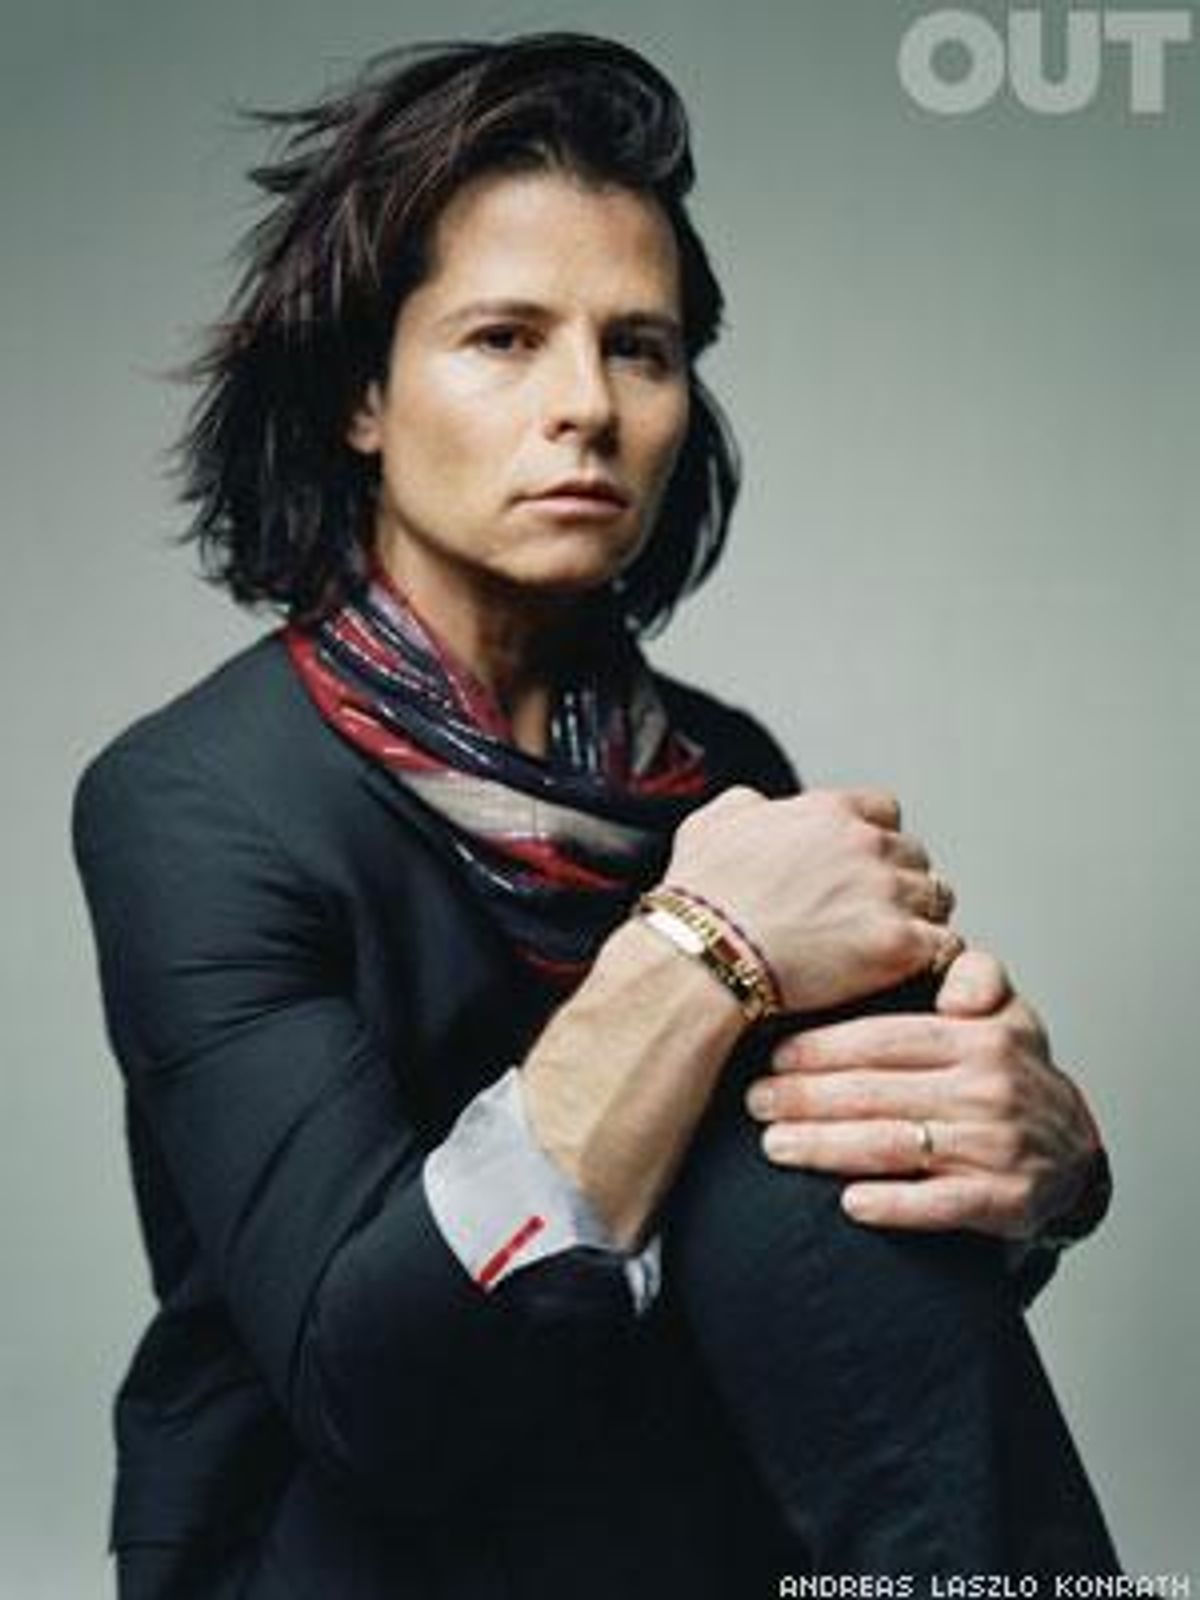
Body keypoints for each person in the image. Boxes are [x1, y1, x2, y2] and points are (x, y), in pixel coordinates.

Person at [72, 32, 1118, 1599]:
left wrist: (1040, 1169)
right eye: (504, 339)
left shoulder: (720, 768)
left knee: (791, 1148)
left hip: (663, 1500)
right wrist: (705, 950)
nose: (588, 407)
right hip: (346, 1531)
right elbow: (376, 1397)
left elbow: (844, 1279)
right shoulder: (197, 801)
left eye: (640, 349)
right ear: (363, 395)